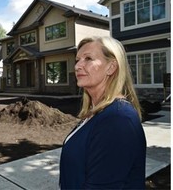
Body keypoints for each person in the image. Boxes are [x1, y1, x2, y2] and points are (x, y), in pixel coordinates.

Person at [59, 36, 146, 189]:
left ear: (111, 67)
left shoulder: (119, 119)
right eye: (78, 59)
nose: (78, 66)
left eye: (88, 58)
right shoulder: (96, 113)